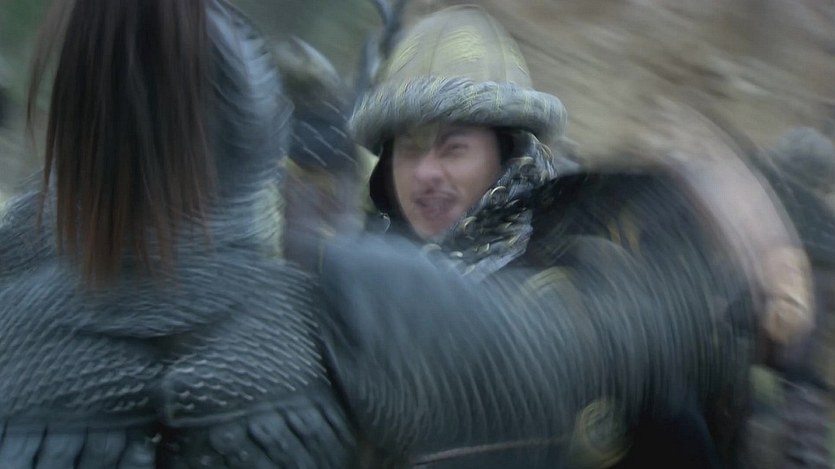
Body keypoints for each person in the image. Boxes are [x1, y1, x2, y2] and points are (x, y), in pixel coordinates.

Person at [345, 5, 812, 467]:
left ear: (507, 152)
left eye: (454, 148)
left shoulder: (589, 286)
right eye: (410, 150)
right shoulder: (360, 294)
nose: (425, 172)